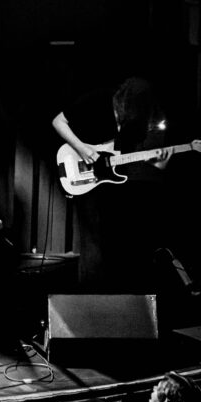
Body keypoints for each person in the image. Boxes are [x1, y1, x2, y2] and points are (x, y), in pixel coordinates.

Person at [51, 75, 173, 291]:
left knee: (115, 244)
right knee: (92, 245)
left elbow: (134, 156)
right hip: (84, 175)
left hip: (113, 184)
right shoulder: (98, 99)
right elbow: (58, 121)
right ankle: (89, 296)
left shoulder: (138, 120)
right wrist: (82, 148)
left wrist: (158, 162)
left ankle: (114, 296)